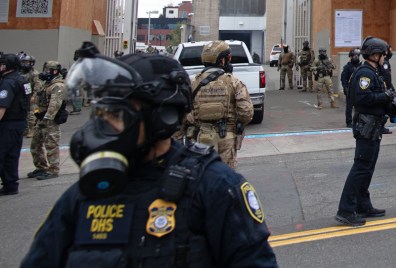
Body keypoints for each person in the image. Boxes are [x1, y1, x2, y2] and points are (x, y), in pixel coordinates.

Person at [22, 46, 277, 266]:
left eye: (117, 113)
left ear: (162, 118)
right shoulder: (83, 196)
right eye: (102, 112)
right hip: (224, 136)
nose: (104, 124)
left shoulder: (216, 189)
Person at [336, 37, 396, 227]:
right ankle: (346, 210)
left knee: (368, 168)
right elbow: (363, 99)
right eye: (382, 54)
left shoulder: (374, 72)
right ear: (375, 54)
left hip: (374, 127)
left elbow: (379, 99)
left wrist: (390, 103)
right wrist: (385, 96)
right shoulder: (365, 73)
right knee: (360, 168)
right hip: (366, 127)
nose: (384, 57)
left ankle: (363, 204)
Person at [185, 41, 254, 169]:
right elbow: (247, 113)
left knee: (201, 177)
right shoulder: (234, 82)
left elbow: (184, 114)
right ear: (222, 60)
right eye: (228, 58)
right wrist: (236, 124)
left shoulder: (192, 83)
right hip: (225, 139)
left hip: (198, 139)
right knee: (226, 177)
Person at [28, 60, 67, 180]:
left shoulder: (58, 86)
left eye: (48, 70)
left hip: (51, 121)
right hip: (41, 118)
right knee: (35, 144)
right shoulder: (46, 84)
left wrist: (47, 119)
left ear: (55, 71)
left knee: (51, 145)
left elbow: (54, 105)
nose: (45, 72)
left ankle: (53, 170)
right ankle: (41, 167)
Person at [0, 54, 30, 196]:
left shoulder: (8, 82)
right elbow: (30, 98)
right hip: (20, 123)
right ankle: (11, 185)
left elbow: (2, 107)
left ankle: (9, 184)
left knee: (2, 155)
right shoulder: (24, 80)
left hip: (8, 124)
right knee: (12, 156)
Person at [20, 55, 38, 139]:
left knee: (32, 113)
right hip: (25, 94)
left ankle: (32, 129)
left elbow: (37, 86)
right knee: (25, 113)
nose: (24, 64)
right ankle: (26, 129)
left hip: (33, 96)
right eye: (23, 62)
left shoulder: (34, 73)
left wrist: (33, 96)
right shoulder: (21, 72)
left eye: (26, 62)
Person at [341, 48, 361, 128]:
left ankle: (358, 121)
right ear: (351, 56)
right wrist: (345, 88)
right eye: (354, 56)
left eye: (357, 55)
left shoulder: (361, 66)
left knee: (359, 107)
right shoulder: (347, 67)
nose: (356, 57)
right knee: (349, 107)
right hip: (350, 90)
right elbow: (343, 79)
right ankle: (349, 122)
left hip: (359, 90)